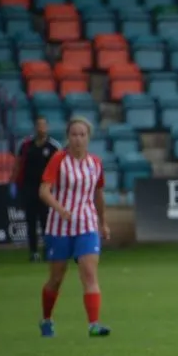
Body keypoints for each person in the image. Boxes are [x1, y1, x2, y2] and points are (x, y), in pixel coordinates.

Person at [38, 117, 111, 338]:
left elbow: (98, 193)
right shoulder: (59, 160)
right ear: (68, 137)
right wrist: (59, 209)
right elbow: (44, 191)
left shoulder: (95, 163)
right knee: (56, 278)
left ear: (88, 138)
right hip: (59, 226)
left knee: (89, 274)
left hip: (87, 224)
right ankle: (47, 319)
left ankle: (94, 324)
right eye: (74, 135)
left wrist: (103, 222)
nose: (78, 139)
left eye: (82, 135)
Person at [10, 116, 63, 261]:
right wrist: (14, 182)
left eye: (44, 125)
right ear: (35, 127)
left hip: (46, 189)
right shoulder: (26, 145)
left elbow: (60, 167)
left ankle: (48, 249)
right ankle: (33, 251)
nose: (41, 128)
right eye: (39, 125)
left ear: (47, 127)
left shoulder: (54, 146)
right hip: (29, 188)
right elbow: (19, 164)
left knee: (46, 221)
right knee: (31, 221)